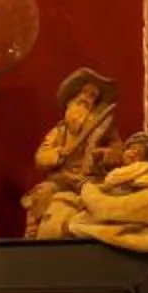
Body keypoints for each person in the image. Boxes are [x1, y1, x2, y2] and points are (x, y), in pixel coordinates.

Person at [22, 68, 121, 238]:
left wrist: (106, 155)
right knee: (43, 192)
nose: (87, 99)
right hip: (63, 180)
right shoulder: (60, 132)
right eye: (83, 94)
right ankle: (33, 230)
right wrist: (59, 154)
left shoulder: (103, 128)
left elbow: (119, 151)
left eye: (92, 96)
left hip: (92, 179)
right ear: (71, 100)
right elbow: (40, 157)